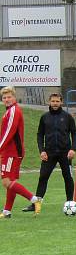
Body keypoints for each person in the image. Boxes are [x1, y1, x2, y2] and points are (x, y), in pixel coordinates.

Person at [22, 93, 76, 212]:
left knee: (68, 177)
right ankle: (35, 204)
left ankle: (70, 203)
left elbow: (74, 133)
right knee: (43, 177)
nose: (55, 103)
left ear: (61, 102)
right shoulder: (44, 117)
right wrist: (42, 151)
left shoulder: (67, 117)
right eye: (53, 101)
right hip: (49, 153)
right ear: (49, 102)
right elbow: (39, 134)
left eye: (57, 101)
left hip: (65, 153)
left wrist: (73, 149)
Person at [0, 86, 41, 218]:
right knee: (11, 181)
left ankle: (34, 199)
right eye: (4, 97)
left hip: (11, 151)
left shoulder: (13, 111)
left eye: (9, 97)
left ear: (14, 97)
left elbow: (9, 132)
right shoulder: (9, 111)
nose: (6, 99)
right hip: (11, 151)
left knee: (6, 181)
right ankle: (7, 211)